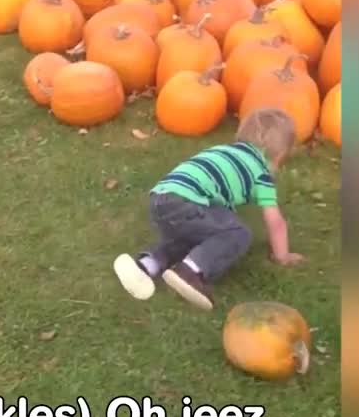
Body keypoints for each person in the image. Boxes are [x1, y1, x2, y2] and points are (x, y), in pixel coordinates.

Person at [111, 107, 305, 311]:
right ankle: (191, 271)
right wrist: (282, 256)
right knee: (237, 233)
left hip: (161, 197)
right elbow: (274, 220)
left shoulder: (223, 151)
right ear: (280, 155)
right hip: (187, 201)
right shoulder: (261, 173)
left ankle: (146, 265)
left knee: (192, 239)